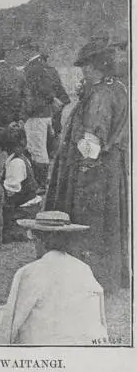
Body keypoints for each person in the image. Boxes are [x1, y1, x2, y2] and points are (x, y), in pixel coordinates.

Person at [0, 211, 108, 345]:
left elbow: (12, 323)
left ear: (41, 240)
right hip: (84, 338)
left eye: (33, 236)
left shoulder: (30, 271)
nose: (33, 242)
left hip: (48, 340)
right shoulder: (83, 268)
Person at [44, 41, 129, 293]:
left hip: (93, 169)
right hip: (110, 167)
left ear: (99, 67)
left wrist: (83, 167)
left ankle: (88, 276)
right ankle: (108, 274)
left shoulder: (101, 94)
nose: (84, 73)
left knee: (89, 219)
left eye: (87, 68)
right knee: (109, 222)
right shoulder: (118, 89)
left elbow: (93, 135)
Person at [21, 49, 71, 186]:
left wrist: (51, 98)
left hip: (35, 114)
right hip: (48, 114)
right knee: (45, 149)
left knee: (37, 149)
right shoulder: (49, 68)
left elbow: (42, 88)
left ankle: (40, 183)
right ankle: (45, 180)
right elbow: (60, 91)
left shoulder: (31, 68)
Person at [0, 126, 38, 243]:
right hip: (24, 204)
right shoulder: (17, 159)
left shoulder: (16, 163)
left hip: (24, 208)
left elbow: (11, 194)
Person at [0, 48, 25, 158]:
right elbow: (24, 96)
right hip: (16, 120)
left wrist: (3, 120)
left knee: (0, 153)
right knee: (15, 151)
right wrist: (17, 118)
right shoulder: (17, 72)